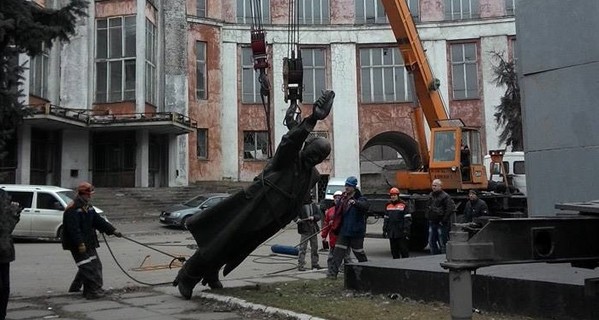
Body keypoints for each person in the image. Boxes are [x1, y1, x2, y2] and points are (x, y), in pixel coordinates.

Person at [174, 90, 335, 299]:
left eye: (321, 156)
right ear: (307, 146)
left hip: (269, 221)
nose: (316, 156)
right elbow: (289, 142)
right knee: (221, 240)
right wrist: (312, 118)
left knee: (236, 248)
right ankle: (188, 276)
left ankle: (211, 273)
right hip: (252, 207)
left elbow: (300, 199)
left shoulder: (312, 175)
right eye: (315, 150)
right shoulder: (288, 159)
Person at [61, 182, 123, 300]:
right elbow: (73, 229)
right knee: (87, 267)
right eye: (88, 194)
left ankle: (80, 289)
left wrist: (113, 230)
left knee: (95, 266)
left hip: (89, 242)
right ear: (82, 194)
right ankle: (92, 292)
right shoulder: (72, 208)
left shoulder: (88, 207)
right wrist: (80, 243)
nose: (90, 196)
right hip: (78, 245)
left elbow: (98, 221)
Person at [326, 176, 369, 279]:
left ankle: (367, 270)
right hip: (344, 231)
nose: (347, 187)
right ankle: (332, 274)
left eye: (349, 186)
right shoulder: (343, 198)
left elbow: (365, 206)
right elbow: (338, 212)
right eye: (346, 185)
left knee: (359, 252)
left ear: (354, 187)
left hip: (356, 232)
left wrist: (356, 203)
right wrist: (334, 222)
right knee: (337, 252)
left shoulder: (360, 198)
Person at [0, 189, 22, 320]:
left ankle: (2, 314)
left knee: (5, 286)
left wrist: (14, 214)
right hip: (3, 249)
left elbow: (8, 229)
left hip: (4, 250)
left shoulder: (3, 195)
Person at [321, 190, 353, 272]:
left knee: (346, 256)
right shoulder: (330, 211)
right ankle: (331, 270)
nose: (337, 199)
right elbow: (326, 224)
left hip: (344, 237)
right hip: (333, 238)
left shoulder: (346, 209)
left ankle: (347, 272)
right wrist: (324, 236)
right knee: (332, 256)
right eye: (336, 198)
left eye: (339, 198)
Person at [424, 179, 455, 255]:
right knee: (431, 241)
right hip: (432, 221)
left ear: (440, 186)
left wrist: (443, 220)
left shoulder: (445, 196)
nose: (433, 187)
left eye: (435, 185)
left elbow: (449, 209)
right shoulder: (431, 195)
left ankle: (444, 256)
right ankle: (434, 256)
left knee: (442, 241)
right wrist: (428, 216)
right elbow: (428, 206)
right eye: (432, 185)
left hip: (441, 223)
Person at [383, 187, 411, 259]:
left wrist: (406, 230)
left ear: (398, 195)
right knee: (394, 251)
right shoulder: (388, 205)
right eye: (391, 195)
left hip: (401, 231)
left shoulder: (404, 205)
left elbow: (407, 219)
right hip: (392, 232)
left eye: (394, 195)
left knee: (403, 250)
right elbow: (386, 218)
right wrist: (384, 229)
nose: (393, 196)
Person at [296, 194, 321, 271]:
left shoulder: (313, 205)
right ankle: (300, 264)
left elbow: (319, 215)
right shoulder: (300, 205)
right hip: (304, 230)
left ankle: (315, 263)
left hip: (313, 229)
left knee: (315, 248)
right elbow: (294, 215)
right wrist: (297, 219)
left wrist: (314, 217)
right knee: (303, 248)